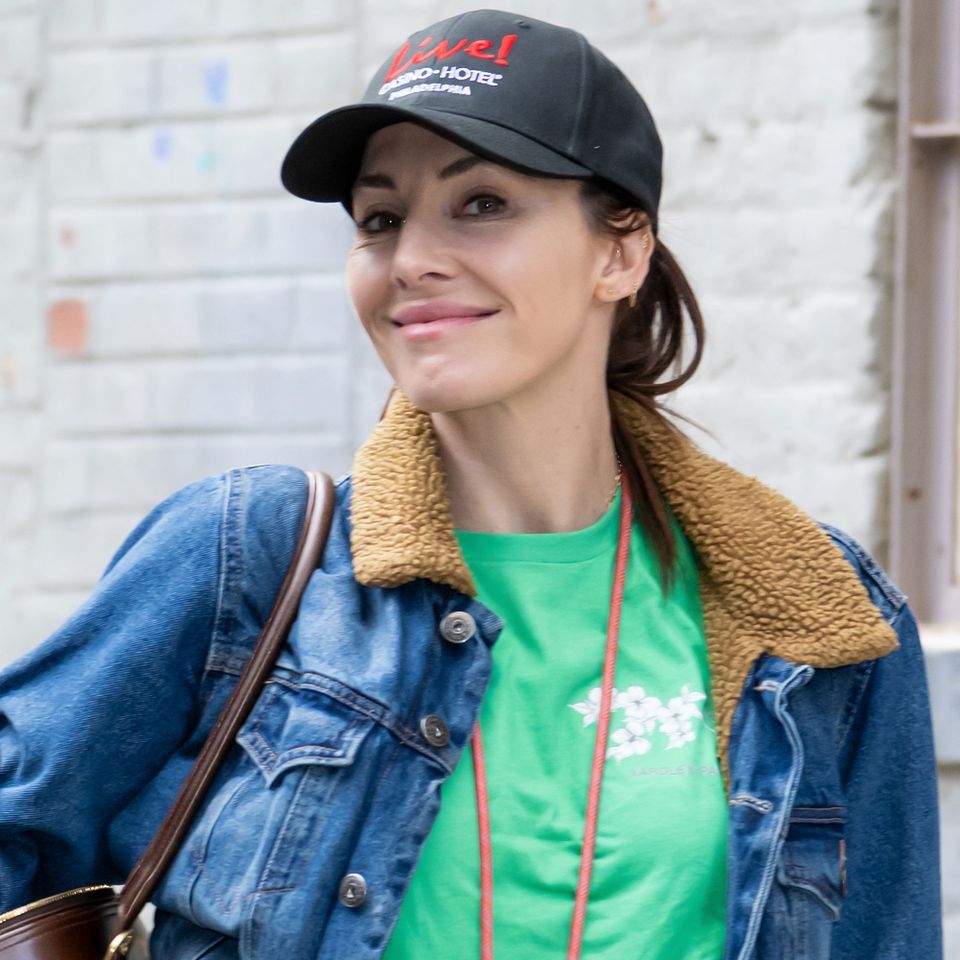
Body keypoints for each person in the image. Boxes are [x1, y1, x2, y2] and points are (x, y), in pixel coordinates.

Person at [0, 9, 942, 960]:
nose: (411, 260)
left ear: (621, 252)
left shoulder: (821, 618)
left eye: (482, 203)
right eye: (380, 219)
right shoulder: (250, 557)